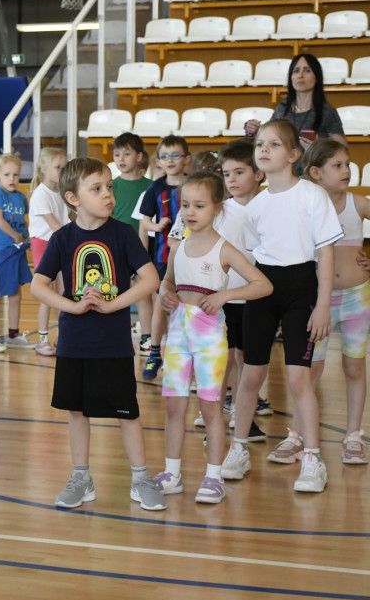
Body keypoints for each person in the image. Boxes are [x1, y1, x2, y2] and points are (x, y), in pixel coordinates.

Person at [29, 157, 165, 511]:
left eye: (109, 186)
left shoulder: (122, 234)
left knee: (127, 412)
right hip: (74, 343)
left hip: (114, 343)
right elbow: (38, 286)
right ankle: (81, 477)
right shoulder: (62, 238)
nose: (108, 194)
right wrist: (70, 306)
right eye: (97, 189)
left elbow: (150, 280)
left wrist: (113, 303)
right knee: (77, 412)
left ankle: (141, 478)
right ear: (73, 198)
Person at [222, 120, 342, 493]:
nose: (264, 149)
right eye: (260, 144)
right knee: (250, 375)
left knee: (298, 378)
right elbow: (259, 255)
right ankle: (238, 449)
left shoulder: (312, 196)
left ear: (293, 155)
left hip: (302, 289)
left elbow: (325, 255)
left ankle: (312, 459)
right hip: (263, 288)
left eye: (274, 144)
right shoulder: (256, 206)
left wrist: (322, 306)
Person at [156, 171, 273, 504]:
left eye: (200, 205)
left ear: (218, 208)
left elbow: (263, 285)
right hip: (179, 331)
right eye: (185, 205)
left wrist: (225, 295)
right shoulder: (178, 248)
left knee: (210, 411)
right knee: (174, 408)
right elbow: (167, 282)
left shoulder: (225, 250)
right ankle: (172, 473)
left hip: (208, 337)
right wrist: (166, 293)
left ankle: (213, 477)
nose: (191, 212)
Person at [269, 139, 369, 466]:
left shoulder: (358, 203)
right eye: (337, 165)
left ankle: (353, 435)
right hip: (318, 301)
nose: (346, 170)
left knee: (354, 367)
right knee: (310, 370)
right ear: (316, 172)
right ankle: (297, 436)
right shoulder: (306, 206)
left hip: (357, 300)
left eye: (347, 164)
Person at [138, 135, 190, 380]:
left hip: (191, 257)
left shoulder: (193, 185)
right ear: (158, 161)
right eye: (164, 156)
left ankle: (183, 357)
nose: (170, 160)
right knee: (161, 302)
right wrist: (157, 227)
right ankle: (155, 353)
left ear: (187, 159)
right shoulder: (155, 187)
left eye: (176, 155)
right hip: (162, 257)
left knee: (186, 306)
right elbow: (145, 220)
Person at [244, 54, 347, 158]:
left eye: (307, 70)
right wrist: (254, 129)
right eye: (296, 71)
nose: (300, 75)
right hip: (282, 170)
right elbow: (268, 137)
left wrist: (319, 148)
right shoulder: (282, 108)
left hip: (312, 172)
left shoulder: (327, 112)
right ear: (290, 77)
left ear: (317, 77)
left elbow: (343, 152)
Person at [0, 153, 34, 353]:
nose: (12, 179)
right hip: (0, 251)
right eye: (7, 175)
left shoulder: (21, 197)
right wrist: (15, 236)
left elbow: (24, 222)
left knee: (16, 295)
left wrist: (26, 237)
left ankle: (13, 335)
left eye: (15, 174)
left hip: (17, 251)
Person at [111, 132, 154, 353]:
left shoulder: (151, 186)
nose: (121, 159)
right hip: (116, 248)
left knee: (143, 292)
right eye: (117, 154)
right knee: (114, 291)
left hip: (142, 249)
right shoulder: (112, 186)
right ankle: (114, 333)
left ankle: (147, 336)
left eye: (126, 154)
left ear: (139, 156)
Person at [28, 147, 70, 356]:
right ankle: (42, 338)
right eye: (58, 167)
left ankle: (63, 337)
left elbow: (68, 218)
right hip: (44, 244)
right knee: (47, 293)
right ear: (43, 168)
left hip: (59, 243)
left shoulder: (61, 193)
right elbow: (55, 226)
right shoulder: (40, 194)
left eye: (64, 167)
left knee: (64, 293)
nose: (62, 171)